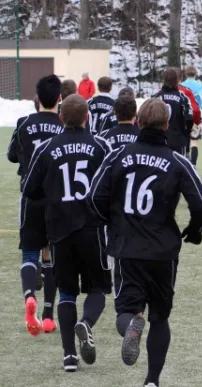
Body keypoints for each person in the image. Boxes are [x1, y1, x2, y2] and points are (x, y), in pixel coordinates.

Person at [88, 98, 202, 387]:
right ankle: (152, 380)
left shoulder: (117, 156)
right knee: (160, 316)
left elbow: (94, 197)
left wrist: (113, 221)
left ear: (139, 123)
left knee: (125, 310)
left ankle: (131, 324)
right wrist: (194, 230)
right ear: (167, 125)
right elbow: (201, 204)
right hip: (163, 251)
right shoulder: (177, 161)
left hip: (127, 248)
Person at [22, 94, 112, 372]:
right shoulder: (100, 145)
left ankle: (69, 356)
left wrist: (53, 195)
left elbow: (30, 189)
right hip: (93, 229)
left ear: (61, 117)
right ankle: (85, 323)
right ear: (87, 117)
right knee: (97, 288)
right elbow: (113, 185)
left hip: (59, 230)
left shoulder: (48, 148)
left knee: (67, 293)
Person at [7, 75, 64, 336]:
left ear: (37, 99)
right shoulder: (65, 126)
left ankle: (30, 295)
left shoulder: (23, 123)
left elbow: (11, 155)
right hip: (57, 199)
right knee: (50, 254)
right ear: (60, 99)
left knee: (29, 254)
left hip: (30, 197)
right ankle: (49, 315)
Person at [152, 67, 194, 155]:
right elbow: (189, 118)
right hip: (177, 141)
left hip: (158, 139)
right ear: (177, 81)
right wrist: (186, 135)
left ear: (163, 80)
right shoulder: (183, 98)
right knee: (179, 166)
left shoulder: (155, 98)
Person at [181, 66, 202, 166]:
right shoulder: (199, 85)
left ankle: (184, 163)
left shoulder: (181, 85)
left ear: (185, 74)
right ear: (196, 74)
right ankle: (194, 164)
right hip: (195, 114)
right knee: (194, 140)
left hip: (184, 115)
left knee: (184, 139)